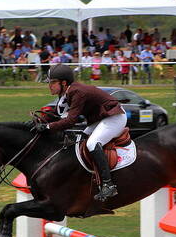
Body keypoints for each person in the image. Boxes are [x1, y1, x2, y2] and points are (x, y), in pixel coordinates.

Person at [32, 64, 126, 202]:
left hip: (114, 117)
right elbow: (58, 114)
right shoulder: (66, 93)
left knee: (93, 144)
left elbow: (70, 121)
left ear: (63, 83)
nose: (49, 86)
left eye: (52, 82)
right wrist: (41, 121)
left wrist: (47, 128)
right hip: (100, 119)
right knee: (79, 140)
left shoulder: (77, 92)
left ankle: (108, 184)